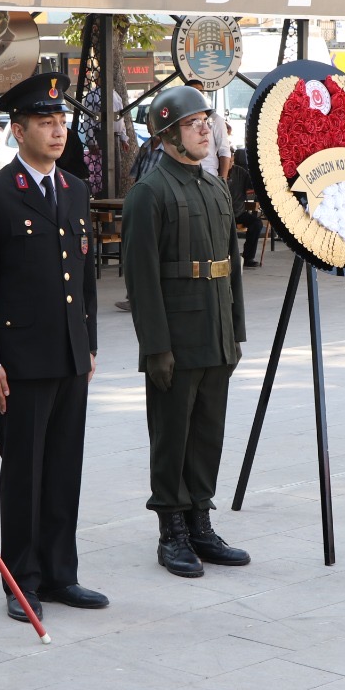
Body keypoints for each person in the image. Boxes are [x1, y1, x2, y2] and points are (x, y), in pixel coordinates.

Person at [0, 72, 106, 621]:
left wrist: (87, 343)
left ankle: (60, 573)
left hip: (69, 356)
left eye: (61, 121)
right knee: (23, 471)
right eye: (45, 123)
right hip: (19, 361)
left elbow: (85, 275)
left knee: (65, 465)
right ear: (17, 130)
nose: (57, 130)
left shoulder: (74, 189)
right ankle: (21, 580)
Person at [124, 85, 250, 576]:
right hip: (176, 337)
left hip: (216, 331)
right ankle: (171, 530)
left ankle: (200, 519)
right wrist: (156, 347)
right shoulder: (149, 193)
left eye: (207, 121)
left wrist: (235, 331)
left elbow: (232, 264)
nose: (205, 128)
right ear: (167, 133)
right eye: (194, 122)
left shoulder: (215, 185)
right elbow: (141, 276)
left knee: (207, 433)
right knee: (172, 434)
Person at [184, 80, 232, 179]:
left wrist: (223, 182)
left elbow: (224, 151)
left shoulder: (215, 119)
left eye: (201, 92)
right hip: (185, 175)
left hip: (209, 174)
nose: (198, 95)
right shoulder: (181, 120)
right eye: (194, 91)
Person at [226, 147, 263, 268]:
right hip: (222, 214)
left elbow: (252, 185)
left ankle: (248, 257)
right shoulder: (215, 171)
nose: (229, 159)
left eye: (231, 156)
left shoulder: (240, 172)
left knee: (257, 223)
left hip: (238, 213)